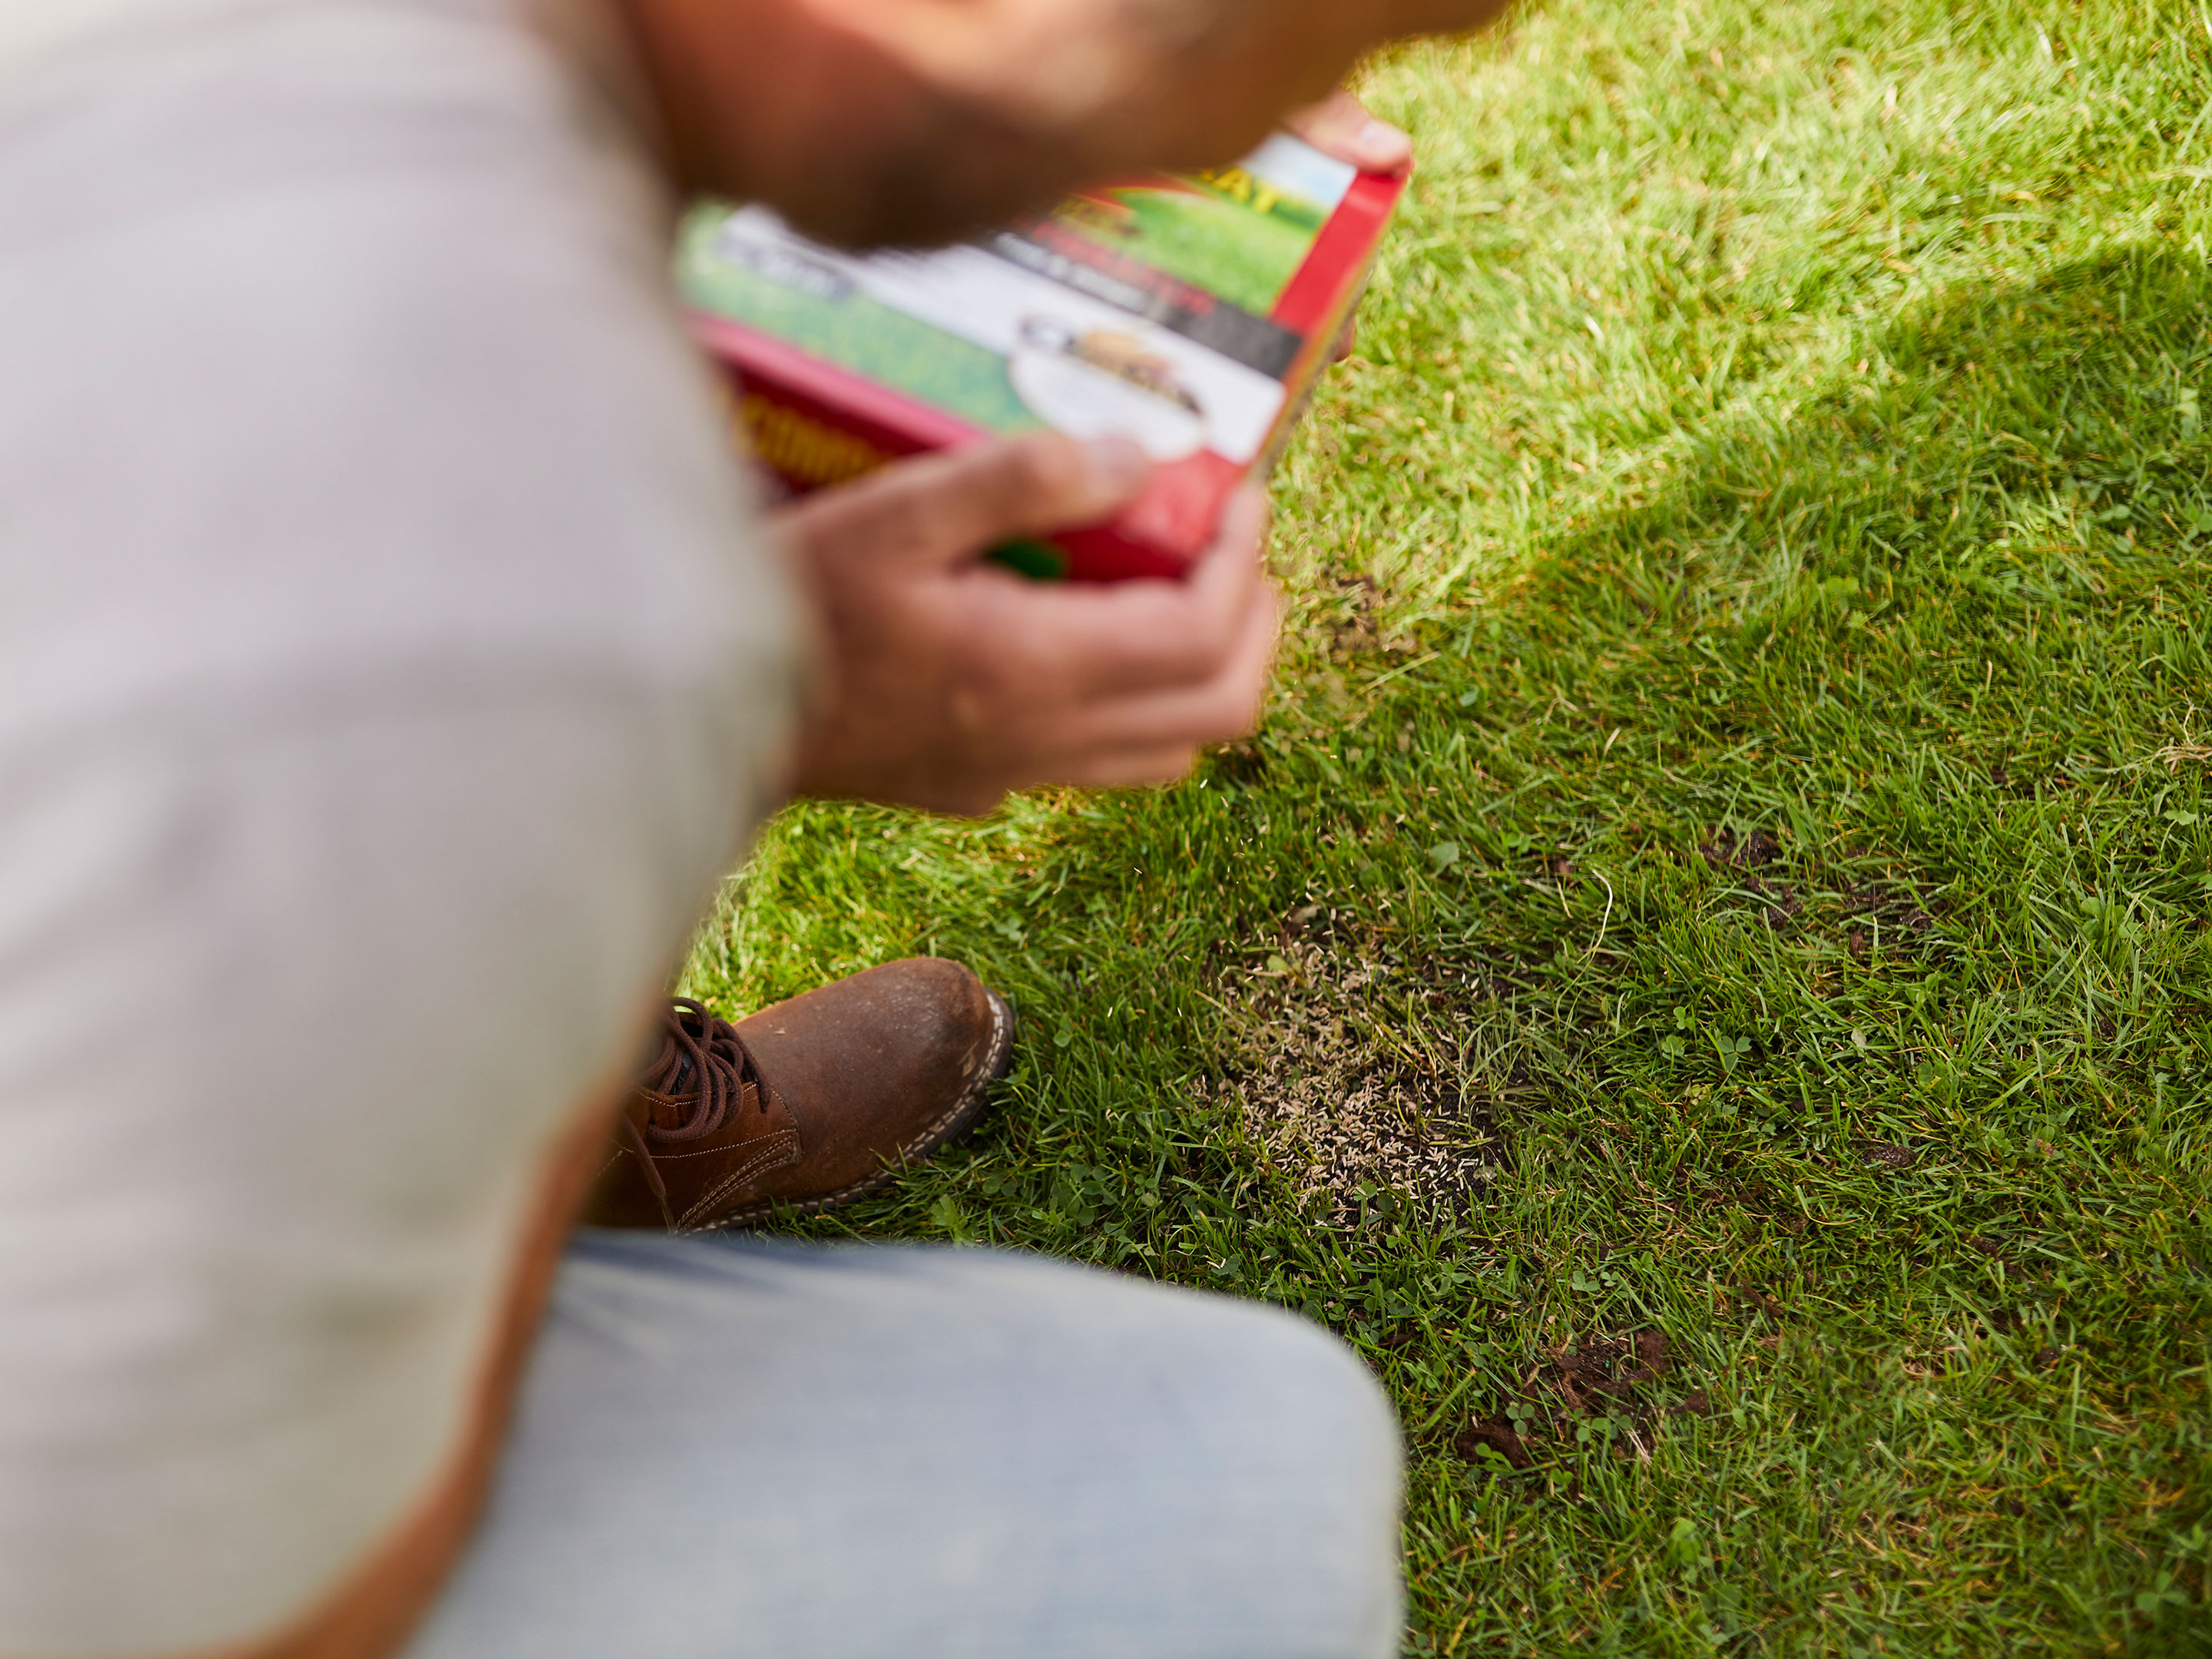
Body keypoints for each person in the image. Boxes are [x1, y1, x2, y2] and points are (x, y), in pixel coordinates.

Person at [0, 2, 1502, 1657]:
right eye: (1323, 30)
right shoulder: (500, 592)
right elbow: (258, 1616)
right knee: (1239, 1491)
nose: (1298, 117)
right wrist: (726, 735)